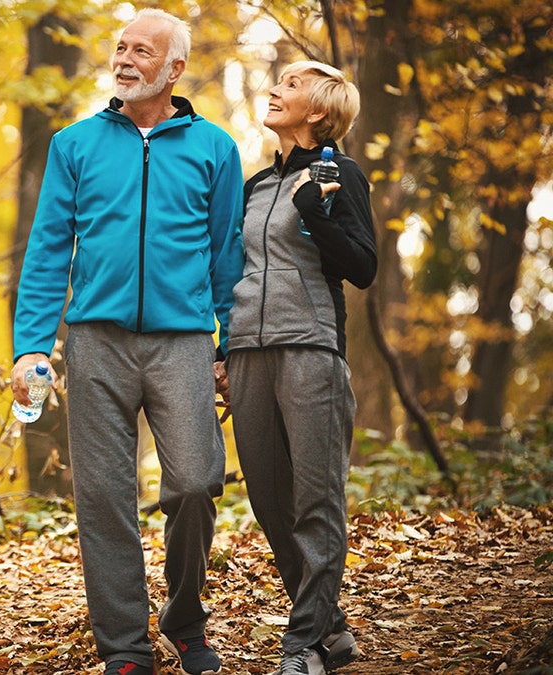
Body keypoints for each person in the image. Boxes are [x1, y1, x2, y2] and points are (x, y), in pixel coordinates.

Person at [11, 9, 243, 675]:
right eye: (120, 46)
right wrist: (32, 344)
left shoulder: (215, 149)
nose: (125, 58)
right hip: (95, 342)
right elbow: (49, 249)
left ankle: (185, 615)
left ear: (174, 68)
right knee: (105, 497)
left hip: (184, 343)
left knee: (197, 480)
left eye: (142, 50)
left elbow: (226, 254)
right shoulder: (74, 144)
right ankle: (124, 647)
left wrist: (231, 346)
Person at [220, 61, 377, 675]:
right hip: (247, 354)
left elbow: (362, 267)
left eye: (290, 83)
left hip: (311, 347)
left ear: (319, 110)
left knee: (317, 501)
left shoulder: (340, 176)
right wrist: (220, 346)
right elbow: (236, 272)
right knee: (267, 500)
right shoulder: (256, 186)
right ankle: (332, 627)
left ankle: (304, 643)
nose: (275, 88)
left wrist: (314, 211)